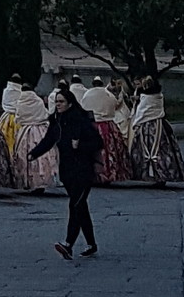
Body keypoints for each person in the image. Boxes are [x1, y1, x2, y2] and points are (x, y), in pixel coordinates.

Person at [31, 86, 104, 258]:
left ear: (70, 103)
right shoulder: (57, 121)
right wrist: (34, 153)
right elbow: (49, 140)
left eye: (61, 101)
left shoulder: (81, 120)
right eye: (56, 102)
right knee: (81, 207)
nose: (58, 105)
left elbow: (97, 142)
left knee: (75, 205)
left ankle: (68, 243)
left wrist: (80, 146)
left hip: (83, 169)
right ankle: (91, 243)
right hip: (67, 169)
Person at [126, 75, 184, 186]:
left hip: (146, 126)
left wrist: (135, 125)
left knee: (144, 150)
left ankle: (148, 174)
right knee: (163, 151)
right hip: (160, 124)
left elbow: (142, 113)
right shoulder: (159, 96)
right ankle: (163, 175)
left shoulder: (145, 97)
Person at [78, 78, 132, 185]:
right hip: (107, 124)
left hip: (92, 124)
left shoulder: (87, 94)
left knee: (92, 151)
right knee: (109, 150)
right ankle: (108, 173)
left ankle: (92, 174)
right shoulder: (108, 95)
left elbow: (83, 107)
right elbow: (116, 106)